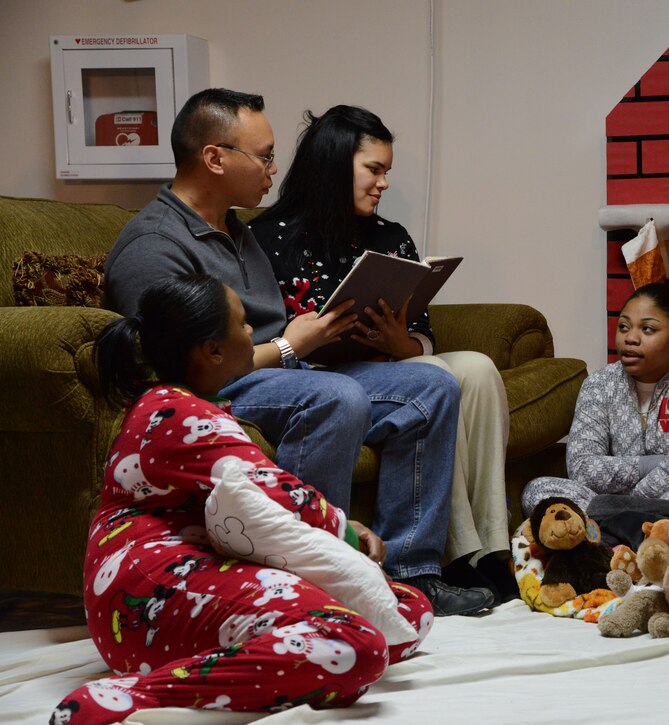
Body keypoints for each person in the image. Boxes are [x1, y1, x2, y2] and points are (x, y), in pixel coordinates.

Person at [103, 88, 492, 616]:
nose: (273, 168)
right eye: (262, 155)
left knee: (432, 384)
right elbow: (185, 368)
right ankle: (319, 577)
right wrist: (292, 345)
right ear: (215, 158)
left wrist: (318, 337)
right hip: (219, 390)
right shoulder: (155, 245)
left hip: (283, 370)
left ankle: (412, 574)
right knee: (334, 396)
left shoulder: (238, 232)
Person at [52, 274, 431, 724]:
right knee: (358, 644)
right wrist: (347, 532)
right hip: (144, 594)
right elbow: (280, 490)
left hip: (198, 567)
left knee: (409, 612)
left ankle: (269, 665)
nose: (253, 331)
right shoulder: (175, 411)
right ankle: (133, 695)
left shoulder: (189, 403)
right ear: (212, 350)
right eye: (243, 323)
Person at [249, 105, 516, 602]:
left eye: (386, 171)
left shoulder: (389, 237)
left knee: (475, 368)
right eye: (374, 169)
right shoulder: (269, 239)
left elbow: (421, 332)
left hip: (387, 363)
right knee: (434, 377)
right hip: (313, 373)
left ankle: (490, 550)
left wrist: (402, 344)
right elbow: (267, 335)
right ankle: (451, 555)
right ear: (334, 166)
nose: (384, 183)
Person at [521, 280, 669, 518]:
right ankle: (637, 530)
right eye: (624, 327)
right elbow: (582, 468)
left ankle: (612, 531)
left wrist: (625, 506)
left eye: (648, 329)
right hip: (622, 504)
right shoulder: (599, 384)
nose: (630, 338)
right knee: (539, 490)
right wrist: (651, 463)